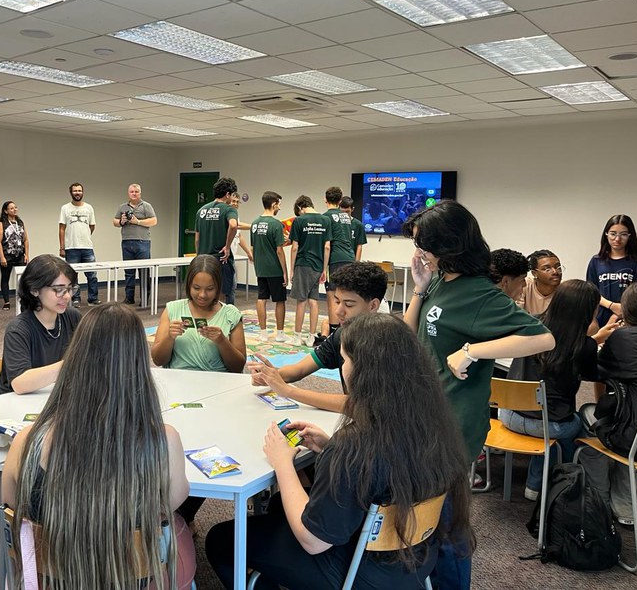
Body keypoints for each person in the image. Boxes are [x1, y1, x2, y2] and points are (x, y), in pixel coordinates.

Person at [205, 314, 474, 590]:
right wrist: (328, 449)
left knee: (221, 538)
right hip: (414, 562)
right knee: (276, 508)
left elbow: (313, 541)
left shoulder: (356, 442)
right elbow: (384, 474)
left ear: (365, 371)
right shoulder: (432, 421)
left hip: (357, 573)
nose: (343, 369)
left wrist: (283, 462)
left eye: (345, 361)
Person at [401, 200, 554, 588]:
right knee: (424, 518)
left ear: (450, 246)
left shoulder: (480, 295)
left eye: (424, 245)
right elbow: (407, 337)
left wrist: (473, 350)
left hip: (454, 425)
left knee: (448, 524)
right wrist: (419, 291)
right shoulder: (438, 279)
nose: (420, 254)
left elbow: (542, 337)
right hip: (425, 416)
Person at [1, 303, 195, 589]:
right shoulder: (164, 440)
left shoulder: (27, 441)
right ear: (138, 364)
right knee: (182, 531)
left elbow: (14, 508)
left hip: (51, 579)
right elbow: (172, 501)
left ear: (75, 358)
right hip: (134, 578)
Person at [500, 280, 614, 501]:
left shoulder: (531, 323)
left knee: (547, 420)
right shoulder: (583, 345)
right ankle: (566, 484)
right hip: (549, 424)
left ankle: (535, 484)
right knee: (579, 424)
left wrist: (593, 339)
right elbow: (593, 375)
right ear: (587, 310)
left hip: (508, 415)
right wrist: (596, 341)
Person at [249, 261, 387, 413]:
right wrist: (270, 375)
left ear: (373, 305)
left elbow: (360, 405)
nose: (338, 311)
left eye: (348, 304)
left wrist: (288, 391)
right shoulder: (342, 334)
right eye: (337, 301)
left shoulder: (384, 344)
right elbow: (300, 369)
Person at [581, 281, 637, 526]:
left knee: (590, 420)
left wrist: (601, 340)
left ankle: (599, 504)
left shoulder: (625, 337)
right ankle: (626, 508)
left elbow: (595, 372)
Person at [0, 255, 81, 395]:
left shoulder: (72, 317)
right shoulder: (18, 329)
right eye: (58, 289)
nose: (67, 296)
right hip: (15, 403)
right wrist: (72, 363)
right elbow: (20, 383)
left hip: (53, 397)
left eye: (70, 289)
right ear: (34, 290)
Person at [151, 254, 246, 374]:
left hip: (218, 383)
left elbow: (238, 367)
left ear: (218, 287)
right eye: (196, 288)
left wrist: (222, 341)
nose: (202, 295)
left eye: (210, 289)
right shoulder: (173, 309)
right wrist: (169, 337)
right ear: (189, 285)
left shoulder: (231, 314)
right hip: (179, 382)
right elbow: (158, 360)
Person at [587, 214, 637, 326]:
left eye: (623, 234)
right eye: (613, 234)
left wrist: (620, 313)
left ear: (630, 236)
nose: (617, 239)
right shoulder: (596, 261)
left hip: (631, 317)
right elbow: (591, 291)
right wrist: (612, 306)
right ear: (606, 234)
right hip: (601, 317)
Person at [287, 195, 331, 347]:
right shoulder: (326, 220)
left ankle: (297, 336)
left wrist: (291, 269)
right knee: (313, 301)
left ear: (300, 208)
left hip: (303, 264)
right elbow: (327, 247)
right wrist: (324, 269)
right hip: (318, 266)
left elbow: (294, 247)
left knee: (301, 301)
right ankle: (311, 337)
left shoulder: (299, 221)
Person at [250, 191, 287, 343]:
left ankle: (263, 333)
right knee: (279, 301)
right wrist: (285, 271)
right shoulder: (276, 224)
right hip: (275, 269)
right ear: (273, 204)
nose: (279, 207)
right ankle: (279, 334)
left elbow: (253, 248)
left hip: (261, 269)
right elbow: (279, 250)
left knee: (261, 298)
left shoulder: (254, 224)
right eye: (278, 204)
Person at [195, 177, 238, 304]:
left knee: (205, 293)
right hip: (221, 259)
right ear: (228, 194)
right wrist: (227, 246)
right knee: (222, 294)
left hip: (203, 260)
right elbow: (233, 225)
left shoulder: (201, 211)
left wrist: (199, 255)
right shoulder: (229, 209)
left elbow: (197, 238)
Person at [113, 183, 157, 306]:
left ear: (140, 193)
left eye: (136, 192)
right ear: (128, 193)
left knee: (144, 272)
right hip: (127, 242)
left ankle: (144, 299)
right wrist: (121, 221)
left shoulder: (146, 206)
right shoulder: (123, 207)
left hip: (142, 242)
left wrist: (137, 221)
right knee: (129, 272)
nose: (134, 194)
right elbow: (114, 221)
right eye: (132, 192)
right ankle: (129, 297)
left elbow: (153, 220)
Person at [59, 182, 99, 308]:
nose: (77, 193)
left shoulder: (89, 208)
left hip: (87, 247)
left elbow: (92, 226)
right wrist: (62, 247)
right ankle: (75, 299)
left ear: (83, 192)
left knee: (92, 275)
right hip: (71, 247)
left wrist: (84, 235)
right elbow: (61, 228)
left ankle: (93, 298)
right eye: (75, 191)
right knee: (73, 276)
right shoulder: (65, 208)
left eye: (80, 190)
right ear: (71, 192)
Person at [324, 187, 355, 333]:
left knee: (332, 295)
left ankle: (333, 331)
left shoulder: (326, 217)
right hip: (350, 257)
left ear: (325, 200)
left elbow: (327, 245)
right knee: (347, 294)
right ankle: (346, 329)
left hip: (336, 259)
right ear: (340, 199)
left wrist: (323, 268)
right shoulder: (346, 217)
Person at [0, 200, 29, 311]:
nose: (14, 209)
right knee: (5, 278)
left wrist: (26, 254)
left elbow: (26, 240)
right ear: (6, 211)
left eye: (15, 207)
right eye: (11, 208)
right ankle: (6, 301)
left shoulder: (20, 222)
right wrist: (2, 257)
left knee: (23, 278)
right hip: (7, 255)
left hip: (19, 254)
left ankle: (23, 300)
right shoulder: (2, 223)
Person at [521, 249, 563, 315]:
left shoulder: (565, 291)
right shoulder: (524, 285)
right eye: (547, 269)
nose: (555, 272)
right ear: (534, 273)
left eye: (558, 267)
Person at [339, 196, 366, 261]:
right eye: (342, 212)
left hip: (351, 259)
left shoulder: (358, 225)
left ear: (352, 209)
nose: (345, 214)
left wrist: (356, 264)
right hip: (338, 259)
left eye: (347, 212)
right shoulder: (336, 223)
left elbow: (359, 246)